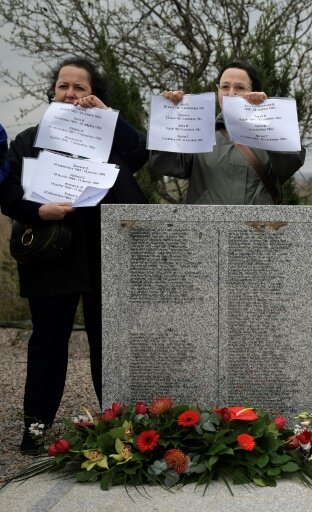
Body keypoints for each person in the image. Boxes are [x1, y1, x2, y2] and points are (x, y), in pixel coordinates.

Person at [0, 57, 148, 453]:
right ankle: (35, 427)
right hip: (51, 254)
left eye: (79, 88)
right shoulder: (28, 139)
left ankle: (117, 424)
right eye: (63, 86)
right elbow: (9, 192)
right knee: (48, 340)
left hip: (103, 252)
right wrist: (38, 211)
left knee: (107, 340)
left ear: (93, 93)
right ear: (53, 91)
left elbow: (139, 151)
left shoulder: (110, 137)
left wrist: (108, 118)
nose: (70, 94)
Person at [148, 61, 305, 205]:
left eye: (240, 87)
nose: (230, 94)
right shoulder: (200, 131)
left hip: (259, 229)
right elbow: (164, 163)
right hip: (206, 229)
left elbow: (292, 161)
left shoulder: (270, 131)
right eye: (225, 87)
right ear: (218, 92)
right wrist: (171, 115)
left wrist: (266, 115)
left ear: (255, 92)